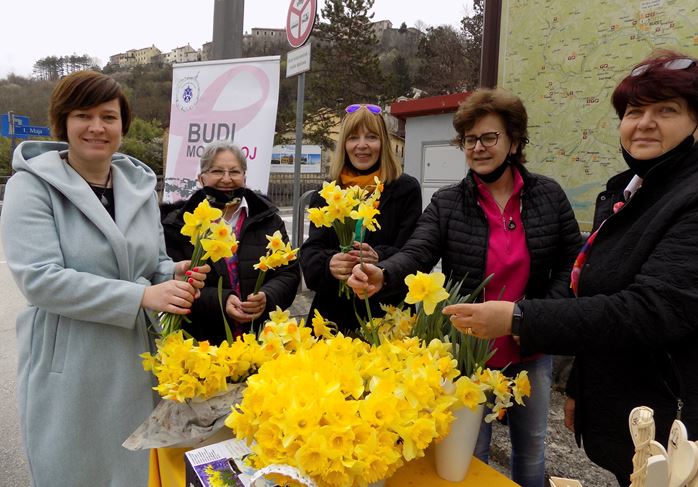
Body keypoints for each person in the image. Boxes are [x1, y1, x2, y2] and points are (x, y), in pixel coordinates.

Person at [431, 51, 698, 485]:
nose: (644, 123)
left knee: (529, 451)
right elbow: (591, 288)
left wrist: (518, 317)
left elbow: (648, 309)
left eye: (666, 110)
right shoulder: (632, 191)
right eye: (634, 111)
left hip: (682, 442)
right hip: (634, 425)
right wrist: (581, 384)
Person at [347, 89, 583, 486]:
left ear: (513, 140)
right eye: (469, 140)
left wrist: (538, 313)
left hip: (530, 345)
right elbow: (418, 252)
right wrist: (383, 274)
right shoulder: (449, 202)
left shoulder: (548, 196)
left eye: (488, 137)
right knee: (470, 454)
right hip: (469, 354)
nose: (478, 147)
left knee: (532, 448)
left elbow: (569, 264)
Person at [0, 71, 209, 487]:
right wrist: (143, 295)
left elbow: (153, 263)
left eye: (109, 117)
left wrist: (173, 273)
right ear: (63, 123)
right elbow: (40, 280)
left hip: (137, 358)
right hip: (71, 361)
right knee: (76, 471)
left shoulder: (140, 189)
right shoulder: (32, 187)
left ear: (122, 126)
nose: (97, 127)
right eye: (84, 115)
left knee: (136, 473)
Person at [299, 103, 422, 333]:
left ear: (383, 143)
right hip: (333, 318)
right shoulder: (328, 192)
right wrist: (330, 265)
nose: (362, 145)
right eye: (353, 137)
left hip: (387, 315)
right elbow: (310, 253)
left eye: (371, 137)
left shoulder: (404, 189)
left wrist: (379, 259)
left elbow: (413, 253)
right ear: (344, 144)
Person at [162, 141, 300, 343]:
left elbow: (289, 272)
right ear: (201, 178)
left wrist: (267, 297)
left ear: (244, 177)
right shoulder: (179, 224)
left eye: (234, 172)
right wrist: (221, 301)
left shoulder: (268, 219)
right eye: (217, 171)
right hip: (201, 342)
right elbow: (171, 283)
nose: (226, 180)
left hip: (260, 339)